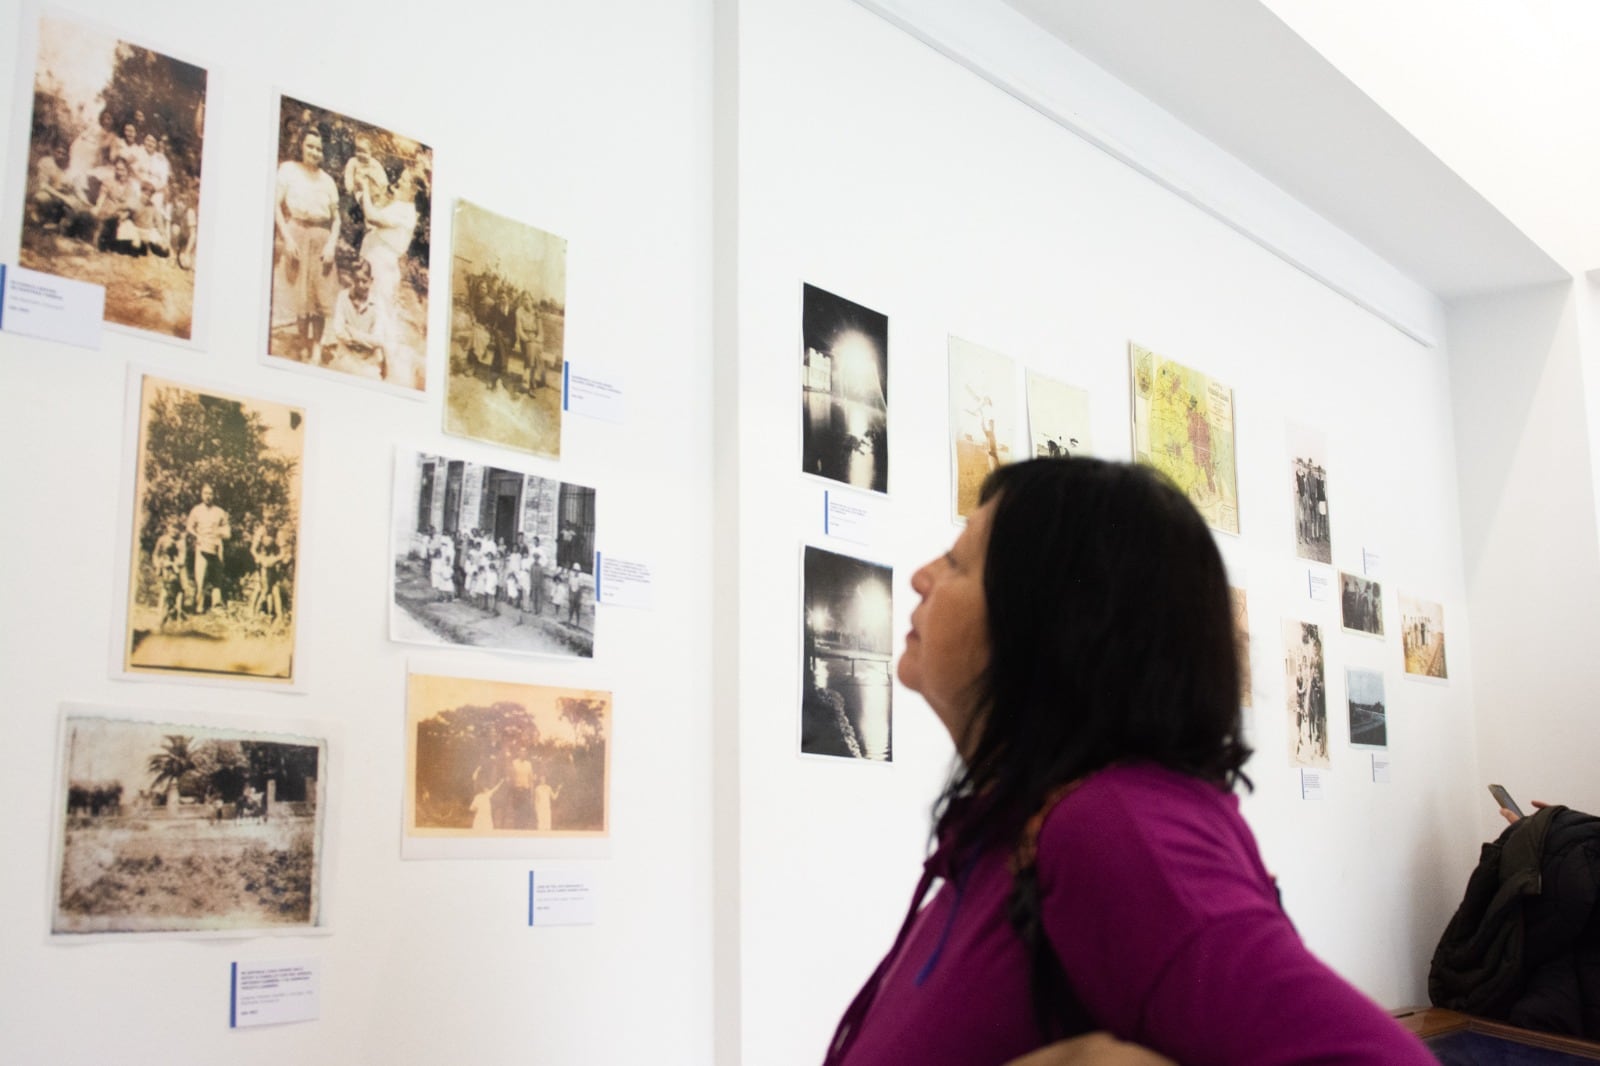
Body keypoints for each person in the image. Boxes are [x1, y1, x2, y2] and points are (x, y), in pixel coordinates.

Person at [821, 458, 1433, 1066]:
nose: (922, 577)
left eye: (957, 561)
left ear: (1057, 620)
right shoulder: (1004, 837)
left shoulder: (1116, 827)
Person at [273, 129, 341, 363]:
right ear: (301, 145)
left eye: (319, 148)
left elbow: (337, 219)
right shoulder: (288, 170)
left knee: (319, 297)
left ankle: (316, 348)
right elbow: (275, 206)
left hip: (321, 238)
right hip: (296, 233)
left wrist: (332, 244)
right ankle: (302, 343)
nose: (314, 152)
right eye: (310, 146)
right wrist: (287, 238)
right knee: (301, 297)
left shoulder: (328, 181)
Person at [321, 259, 389, 379]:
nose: (360, 285)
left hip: (369, 361)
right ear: (352, 279)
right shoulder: (343, 297)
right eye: (357, 280)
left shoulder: (378, 303)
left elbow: (378, 340)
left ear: (371, 280)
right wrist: (364, 340)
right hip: (347, 355)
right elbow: (339, 330)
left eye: (364, 281)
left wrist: (352, 332)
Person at [185, 483, 231, 614]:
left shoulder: (219, 511)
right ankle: (199, 606)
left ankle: (216, 606)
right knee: (201, 577)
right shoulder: (196, 510)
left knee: (217, 577)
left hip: (216, 546)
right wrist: (197, 536)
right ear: (201, 494)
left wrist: (223, 534)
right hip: (201, 545)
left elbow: (227, 529)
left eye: (210, 493)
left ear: (214, 495)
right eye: (205, 493)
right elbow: (189, 527)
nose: (208, 496)